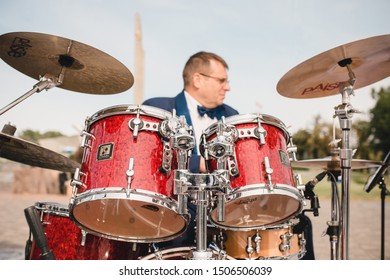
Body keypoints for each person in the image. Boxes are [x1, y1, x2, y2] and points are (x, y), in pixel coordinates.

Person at [142, 51, 239, 251]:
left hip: (224, 204)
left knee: (295, 221)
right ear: (197, 79)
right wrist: (200, 163)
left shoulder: (232, 115)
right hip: (175, 205)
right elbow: (149, 158)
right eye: (222, 80)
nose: (227, 87)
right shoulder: (157, 108)